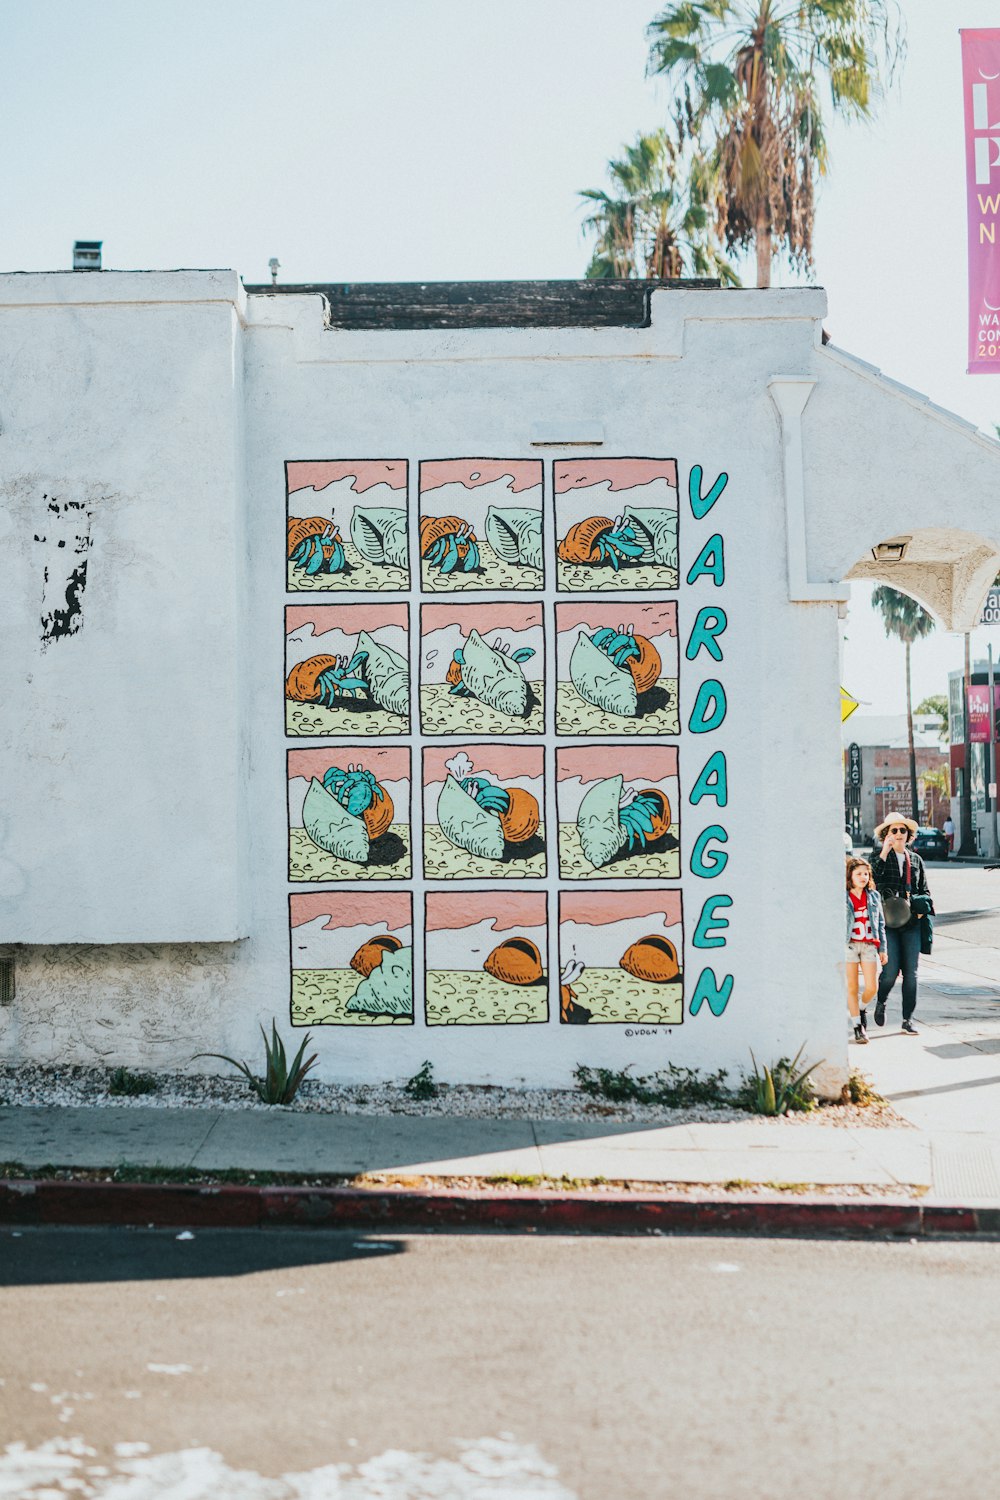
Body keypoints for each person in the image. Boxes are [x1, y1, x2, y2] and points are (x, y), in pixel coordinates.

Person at [871, 814, 933, 1035]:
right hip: (887, 923)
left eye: (902, 831)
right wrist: (884, 852)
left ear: (909, 835)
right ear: (886, 835)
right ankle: (881, 1001)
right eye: (893, 831)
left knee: (911, 973)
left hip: (910, 923)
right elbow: (871, 881)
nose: (898, 834)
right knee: (889, 972)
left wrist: (918, 911)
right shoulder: (878, 857)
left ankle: (908, 1019)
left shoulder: (915, 860)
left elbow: (925, 891)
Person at [845, 857, 887, 1044]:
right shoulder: (843, 897)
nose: (863, 877)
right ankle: (857, 1027)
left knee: (872, 987)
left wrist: (883, 948)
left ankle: (861, 1009)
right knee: (852, 987)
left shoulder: (874, 896)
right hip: (849, 946)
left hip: (870, 945)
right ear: (850, 876)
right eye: (858, 874)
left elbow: (880, 923)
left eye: (865, 873)